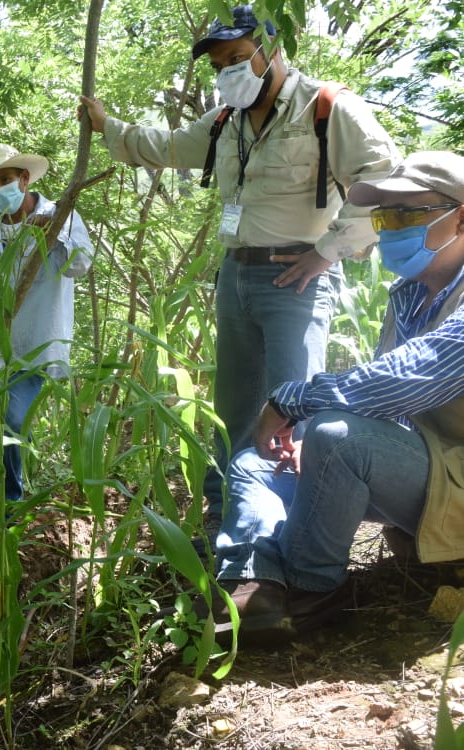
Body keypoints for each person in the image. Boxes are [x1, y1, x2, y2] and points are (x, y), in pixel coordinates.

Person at [78, 5, 399, 531]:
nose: (227, 71)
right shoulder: (226, 121)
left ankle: (293, 534)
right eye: (219, 64)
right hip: (236, 275)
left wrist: (327, 252)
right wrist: (108, 124)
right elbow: (166, 147)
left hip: (298, 278)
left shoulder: (326, 107)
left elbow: (383, 177)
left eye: (237, 57)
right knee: (235, 407)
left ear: (271, 50)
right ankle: (228, 518)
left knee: (293, 410)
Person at [207, 151, 464, 645]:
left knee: (334, 436)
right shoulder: (409, 296)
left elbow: (419, 374)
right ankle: (255, 579)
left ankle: (311, 587)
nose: (389, 229)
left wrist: (291, 400)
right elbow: (400, 411)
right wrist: (318, 456)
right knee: (255, 462)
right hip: (432, 469)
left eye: (407, 214)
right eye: (384, 216)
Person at [0, 143, 93, 504]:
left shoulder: (61, 216)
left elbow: (81, 265)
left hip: (35, 349)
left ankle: (9, 502)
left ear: (24, 179)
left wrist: (54, 233)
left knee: (11, 419)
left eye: (5, 180)